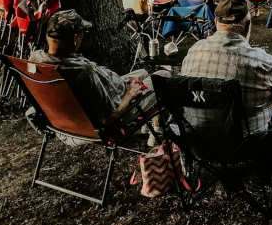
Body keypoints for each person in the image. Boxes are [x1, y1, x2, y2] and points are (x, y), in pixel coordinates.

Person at [181, 0, 272, 140]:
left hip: (201, 140)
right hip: (248, 143)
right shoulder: (260, 60)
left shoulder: (194, 51)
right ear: (248, 25)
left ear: (215, 21)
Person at [30, 10, 169, 144]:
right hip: (120, 108)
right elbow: (108, 118)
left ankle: (150, 127)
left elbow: (32, 111)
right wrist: (129, 94)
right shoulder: (84, 73)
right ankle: (157, 131)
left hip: (70, 121)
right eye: (82, 33)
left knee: (143, 73)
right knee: (163, 76)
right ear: (74, 38)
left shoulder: (37, 62)